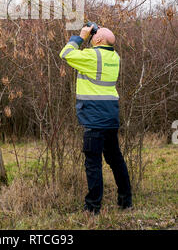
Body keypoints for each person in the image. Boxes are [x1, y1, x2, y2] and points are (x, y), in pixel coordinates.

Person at [59, 24, 132, 215]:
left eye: (95, 34)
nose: (93, 35)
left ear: (98, 40)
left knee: (93, 163)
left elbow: (65, 54)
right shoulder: (114, 58)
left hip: (93, 117)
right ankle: (126, 201)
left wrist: (81, 36)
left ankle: (92, 207)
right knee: (115, 160)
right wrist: (94, 33)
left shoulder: (92, 56)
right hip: (110, 116)